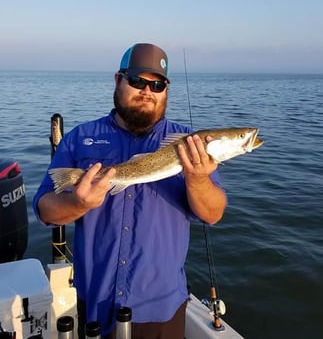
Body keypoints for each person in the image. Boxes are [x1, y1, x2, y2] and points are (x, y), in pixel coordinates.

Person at [33, 43, 227, 339]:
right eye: (137, 81)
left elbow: (213, 214)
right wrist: (76, 203)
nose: (147, 91)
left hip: (161, 309)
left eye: (157, 84)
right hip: (96, 302)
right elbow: (45, 210)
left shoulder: (191, 146)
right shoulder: (80, 138)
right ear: (117, 80)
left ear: (166, 90)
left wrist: (198, 180)